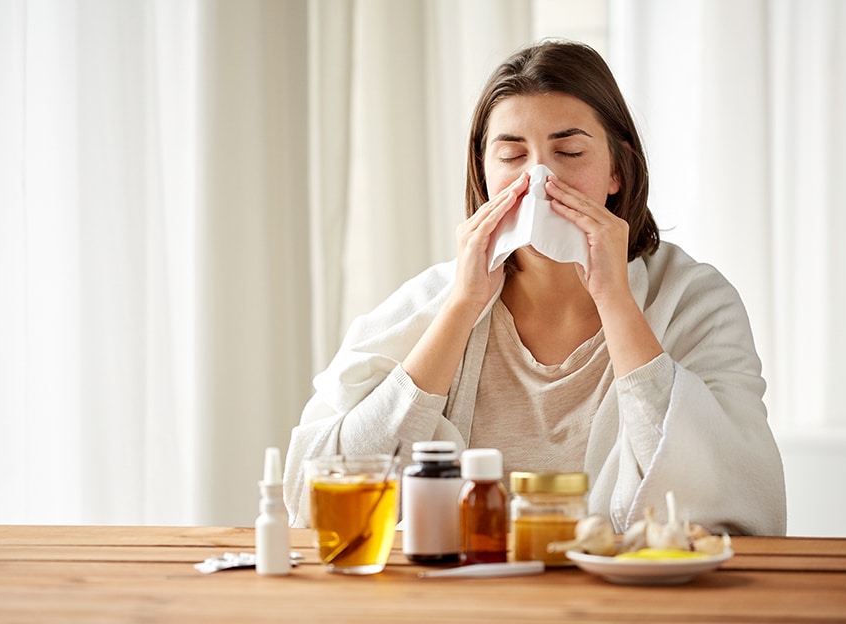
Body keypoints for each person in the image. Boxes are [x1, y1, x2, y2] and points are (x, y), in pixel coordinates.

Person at [284, 39, 787, 535]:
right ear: (483, 174)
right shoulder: (430, 301)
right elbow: (319, 498)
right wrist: (462, 308)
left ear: (617, 169)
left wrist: (615, 300)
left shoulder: (695, 301)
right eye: (510, 155)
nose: (540, 181)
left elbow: (728, 500)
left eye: (568, 152)